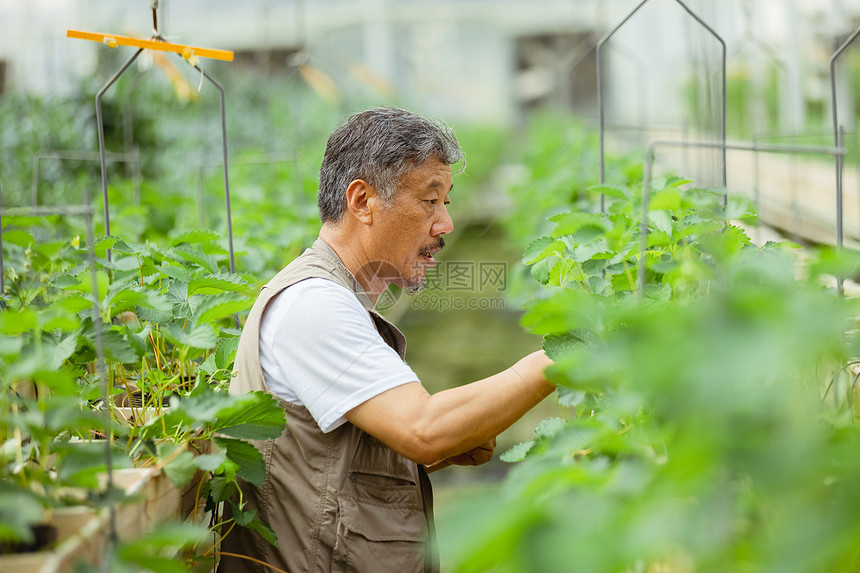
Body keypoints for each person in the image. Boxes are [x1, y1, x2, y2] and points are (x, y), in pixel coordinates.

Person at [220, 107, 554, 573]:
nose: (445, 225)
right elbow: (423, 429)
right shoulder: (314, 306)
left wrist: (419, 459)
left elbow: (327, 466)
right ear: (361, 201)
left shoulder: (342, 302)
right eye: (429, 201)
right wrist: (555, 360)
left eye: (447, 203)